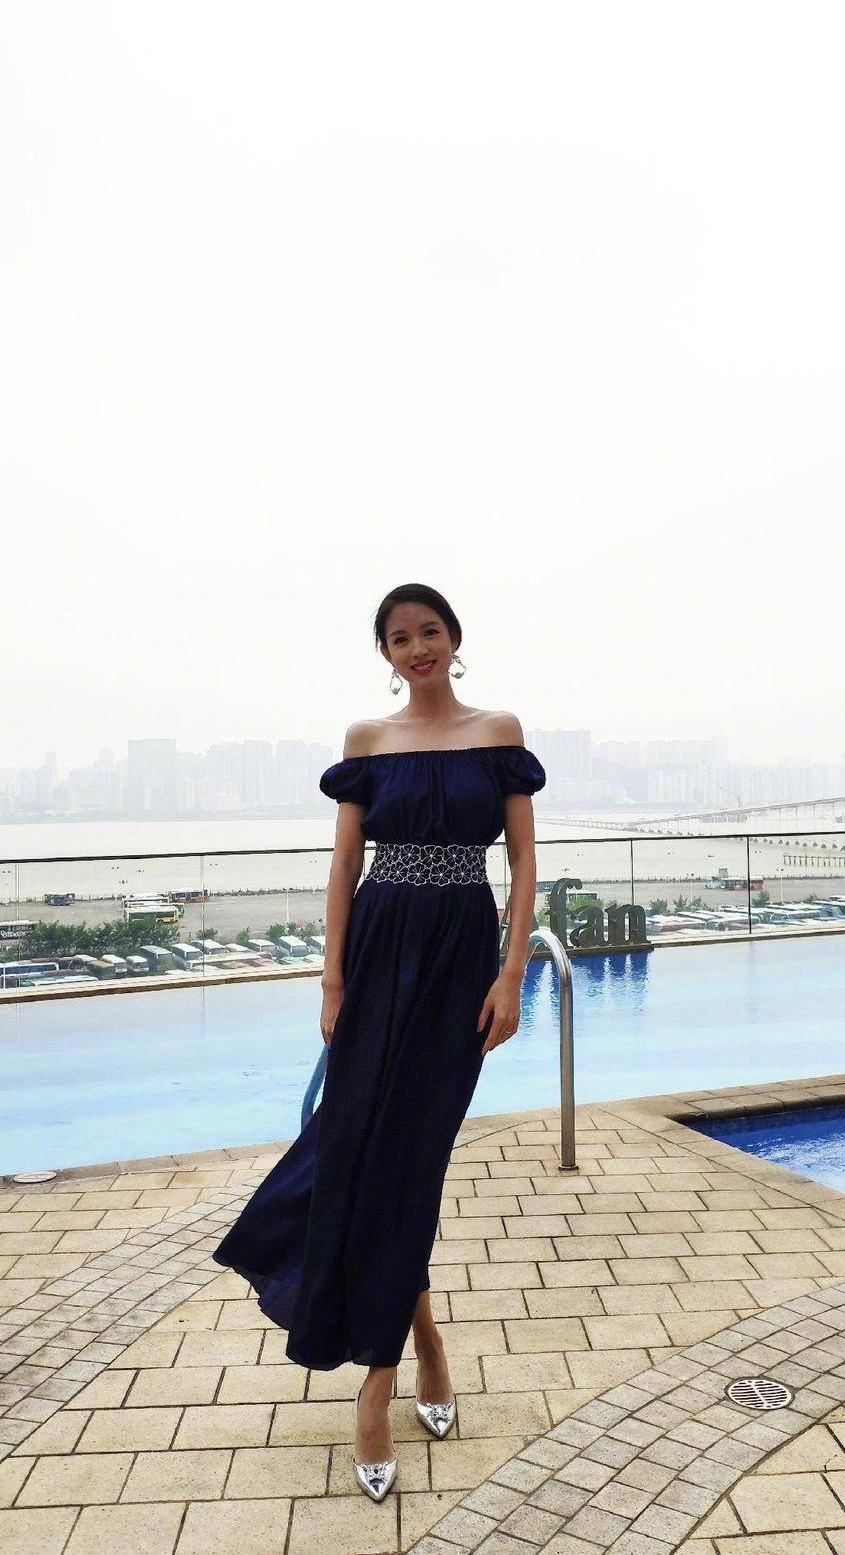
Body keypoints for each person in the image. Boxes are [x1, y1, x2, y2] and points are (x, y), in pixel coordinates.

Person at [212, 582, 546, 1502]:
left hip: (460, 957)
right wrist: (332, 978)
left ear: (454, 639)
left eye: (429, 631)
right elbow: (344, 864)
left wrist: (512, 973)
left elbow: (523, 861)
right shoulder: (366, 742)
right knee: (360, 1151)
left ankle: (380, 1378)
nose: (417, 647)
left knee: (413, 1160)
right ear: (387, 655)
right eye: (400, 638)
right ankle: (418, 1347)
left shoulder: (499, 732)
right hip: (377, 948)